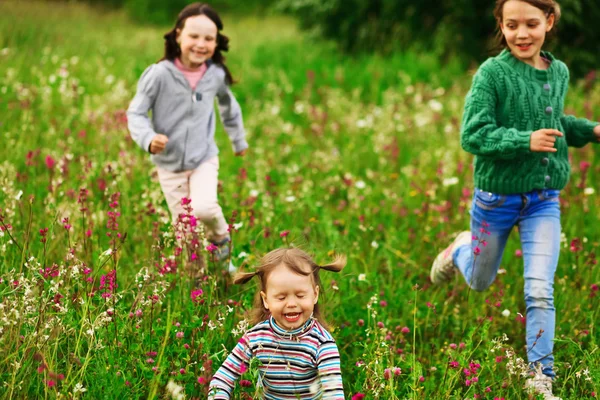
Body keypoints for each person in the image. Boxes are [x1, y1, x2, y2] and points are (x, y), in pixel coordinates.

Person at [429, 1, 600, 399]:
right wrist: (524, 141)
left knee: (540, 289)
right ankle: (460, 249)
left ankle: (541, 375)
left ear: (549, 22)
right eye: (511, 25)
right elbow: (473, 134)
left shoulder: (558, 72)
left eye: (531, 24)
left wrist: (589, 129)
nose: (521, 34)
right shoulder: (492, 74)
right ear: (501, 26)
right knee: (479, 280)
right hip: (496, 199)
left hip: (544, 199)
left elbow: (554, 124)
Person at [127, 3, 247, 263]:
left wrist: (238, 140)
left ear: (216, 43)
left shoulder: (214, 75)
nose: (200, 44)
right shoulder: (158, 75)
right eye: (194, 36)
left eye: (209, 38)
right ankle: (199, 283)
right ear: (178, 35)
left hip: (203, 157)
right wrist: (148, 139)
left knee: (203, 208)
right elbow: (135, 113)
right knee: (185, 232)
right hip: (170, 166)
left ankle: (220, 238)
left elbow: (229, 107)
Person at [209, 248, 346, 399]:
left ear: (315, 294)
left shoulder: (322, 343)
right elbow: (222, 379)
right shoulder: (254, 338)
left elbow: (334, 395)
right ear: (266, 300)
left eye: (300, 295)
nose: (292, 303)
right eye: (281, 298)